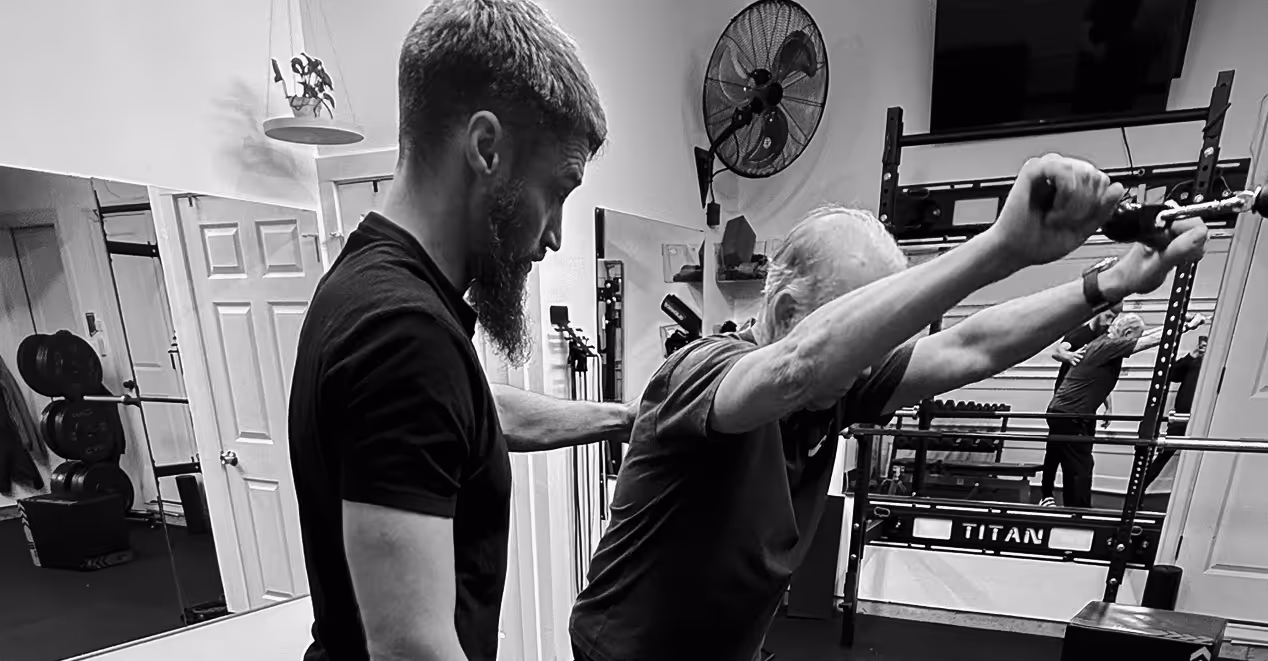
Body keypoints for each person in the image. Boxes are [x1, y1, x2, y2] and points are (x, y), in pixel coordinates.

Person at [569, 154, 1210, 661]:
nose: (874, 363)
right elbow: (797, 367)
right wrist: (1002, 247)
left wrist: (1110, 283)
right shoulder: (702, 372)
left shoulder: (841, 386)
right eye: (868, 338)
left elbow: (972, 345)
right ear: (789, 313)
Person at [286, 2, 629, 660]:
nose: (554, 234)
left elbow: (468, 414)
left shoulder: (373, 284)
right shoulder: (403, 334)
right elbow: (411, 648)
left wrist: (622, 417)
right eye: (557, 190)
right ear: (486, 148)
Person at [1041, 312, 1206, 508]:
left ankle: (1075, 510)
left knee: (1076, 465)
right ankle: (1077, 513)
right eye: (1133, 337)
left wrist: (1177, 323)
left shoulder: (1108, 343)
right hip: (1069, 415)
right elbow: (1149, 341)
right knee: (1079, 466)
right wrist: (1188, 326)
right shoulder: (1107, 346)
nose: (1134, 342)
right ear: (1126, 333)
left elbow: (1147, 337)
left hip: (1069, 413)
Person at [1039, 301, 1120, 506]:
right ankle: (1046, 495)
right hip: (1065, 407)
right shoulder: (1080, 335)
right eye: (1108, 316)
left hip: (1085, 408)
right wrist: (1070, 356)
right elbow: (1057, 351)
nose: (1110, 322)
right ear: (1098, 312)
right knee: (1055, 451)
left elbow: (1096, 379)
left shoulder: (1104, 339)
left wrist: (1108, 405)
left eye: (1114, 318)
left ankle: (1075, 503)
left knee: (1079, 459)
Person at [1143, 334, 1208, 488]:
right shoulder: (1194, 362)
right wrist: (1191, 357)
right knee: (1163, 456)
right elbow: (1171, 375)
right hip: (1182, 417)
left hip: (1206, 417)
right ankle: (1138, 494)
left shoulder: (1222, 364)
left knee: (1207, 455)